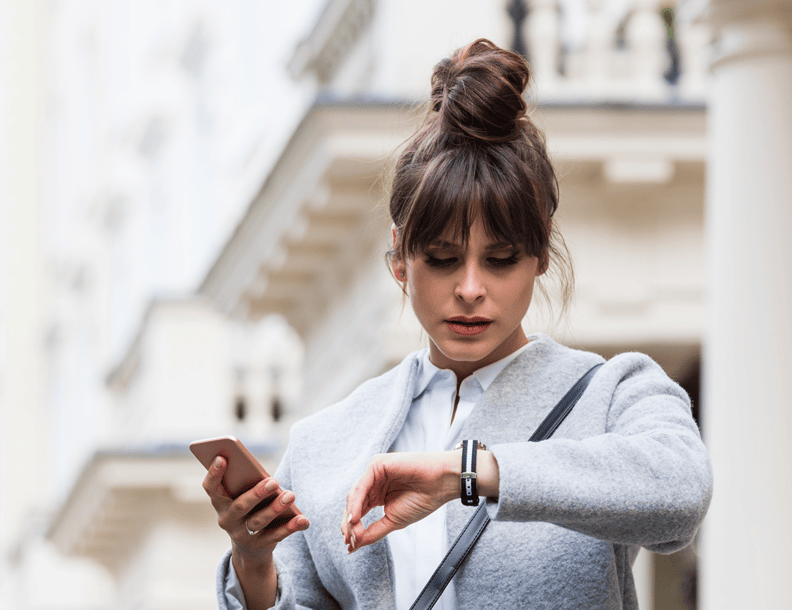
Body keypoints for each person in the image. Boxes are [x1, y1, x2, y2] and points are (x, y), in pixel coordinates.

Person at [200, 38, 712, 610]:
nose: (470, 289)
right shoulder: (326, 443)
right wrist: (252, 562)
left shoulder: (611, 394)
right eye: (442, 259)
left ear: (541, 253)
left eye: (501, 259)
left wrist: (467, 473)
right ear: (399, 257)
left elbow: (681, 489)